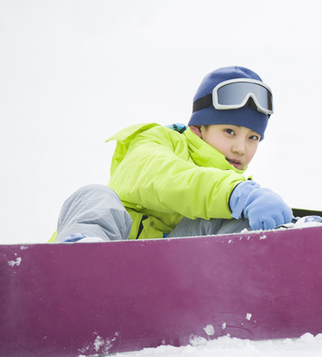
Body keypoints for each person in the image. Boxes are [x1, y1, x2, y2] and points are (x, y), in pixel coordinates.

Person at [51, 66, 294, 243]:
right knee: (94, 196)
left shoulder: (237, 197)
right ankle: (79, 261)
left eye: (253, 138)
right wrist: (234, 193)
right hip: (115, 255)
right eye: (229, 131)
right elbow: (162, 177)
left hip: (167, 279)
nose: (241, 148)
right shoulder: (155, 140)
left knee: (240, 223)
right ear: (198, 128)